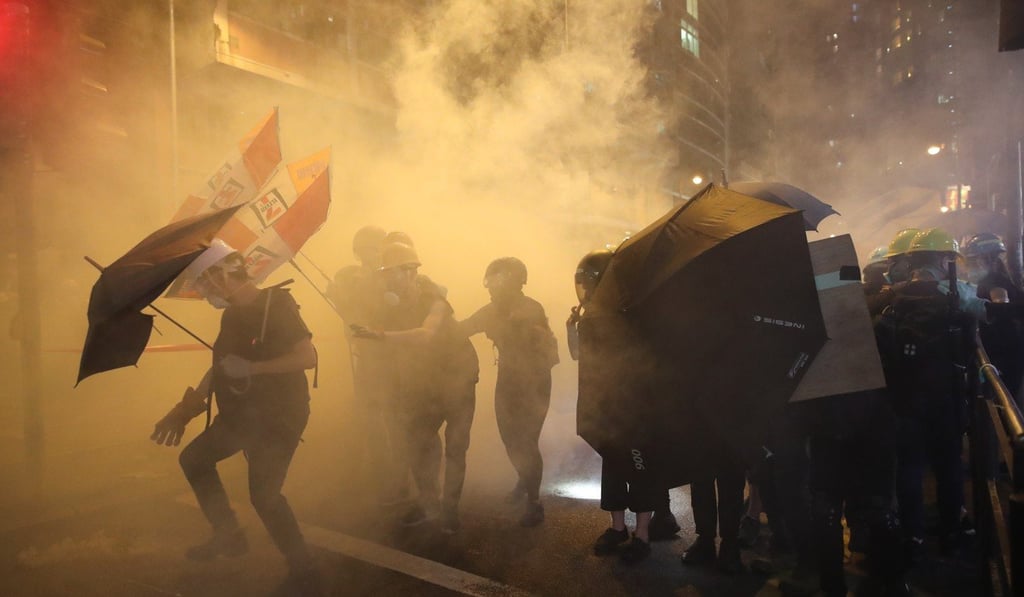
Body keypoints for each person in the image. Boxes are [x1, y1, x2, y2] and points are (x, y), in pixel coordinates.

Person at [150, 240, 319, 590]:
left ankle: (304, 570)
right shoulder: (232, 314)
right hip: (243, 415)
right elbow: (221, 368)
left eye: (206, 283)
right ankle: (228, 534)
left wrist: (252, 368)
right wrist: (186, 410)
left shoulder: (277, 305)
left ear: (225, 275)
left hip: (278, 417)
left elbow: (307, 358)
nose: (204, 291)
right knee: (194, 460)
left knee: (264, 496)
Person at [351, 242, 479, 534]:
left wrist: (379, 336)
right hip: (425, 382)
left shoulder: (436, 300)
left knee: (456, 446)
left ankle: (450, 509)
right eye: (386, 273)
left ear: (411, 271)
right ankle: (428, 502)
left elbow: (425, 334)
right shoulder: (390, 306)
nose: (388, 278)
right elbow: (391, 348)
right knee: (418, 441)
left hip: (458, 379)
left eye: (394, 272)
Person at [874, 227, 983, 558]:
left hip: (905, 399)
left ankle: (913, 535)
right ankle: (951, 531)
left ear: (910, 262)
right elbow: (984, 320)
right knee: (949, 465)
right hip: (946, 399)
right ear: (944, 259)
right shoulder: (958, 296)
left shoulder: (891, 298)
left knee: (909, 468)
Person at [568, 248, 659, 564]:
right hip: (605, 404)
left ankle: (643, 534)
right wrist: (573, 327)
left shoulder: (631, 309)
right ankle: (618, 528)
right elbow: (580, 356)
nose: (586, 290)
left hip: (633, 405)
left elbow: (643, 358)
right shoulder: (591, 315)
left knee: (640, 467)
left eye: (590, 283)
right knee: (613, 467)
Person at [458, 257, 558, 527]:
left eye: (496, 283)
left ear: (513, 283)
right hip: (508, 381)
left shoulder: (529, 309)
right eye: (489, 283)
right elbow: (463, 328)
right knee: (510, 440)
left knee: (525, 441)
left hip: (534, 383)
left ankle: (534, 502)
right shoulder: (493, 310)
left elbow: (533, 338)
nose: (490, 289)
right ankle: (524, 481)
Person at [328, 226, 409, 507]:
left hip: (394, 358)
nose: (367, 256)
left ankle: (400, 480)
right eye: (362, 250)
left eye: (372, 249)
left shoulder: (397, 274)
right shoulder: (351, 277)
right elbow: (348, 313)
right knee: (369, 419)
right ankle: (382, 478)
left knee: (395, 419)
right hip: (368, 358)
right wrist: (338, 298)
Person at [963, 232, 1024, 403]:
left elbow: (1001, 302)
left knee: (1006, 399)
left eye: (976, 260)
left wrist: (993, 308)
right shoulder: (1003, 278)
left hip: (1004, 351)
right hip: (1010, 348)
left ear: (988, 258)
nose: (973, 265)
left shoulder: (993, 280)